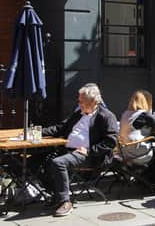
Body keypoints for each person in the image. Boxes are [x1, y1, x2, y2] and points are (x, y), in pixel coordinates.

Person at [43, 84, 118, 217]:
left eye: (82, 101)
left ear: (94, 102)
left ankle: (65, 202)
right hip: (68, 151)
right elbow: (61, 128)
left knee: (58, 163)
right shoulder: (79, 114)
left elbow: (110, 142)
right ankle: (56, 194)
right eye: (79, 101)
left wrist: (89, 150)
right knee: (36, 161)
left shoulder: (106, 116)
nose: (79, 103)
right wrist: (38, 132)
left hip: (90, 156)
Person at [118, 90, 155, 169]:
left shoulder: (125, 114)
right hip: (138, 153)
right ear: (146, 101)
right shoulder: (143, 114)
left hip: (124, 152)